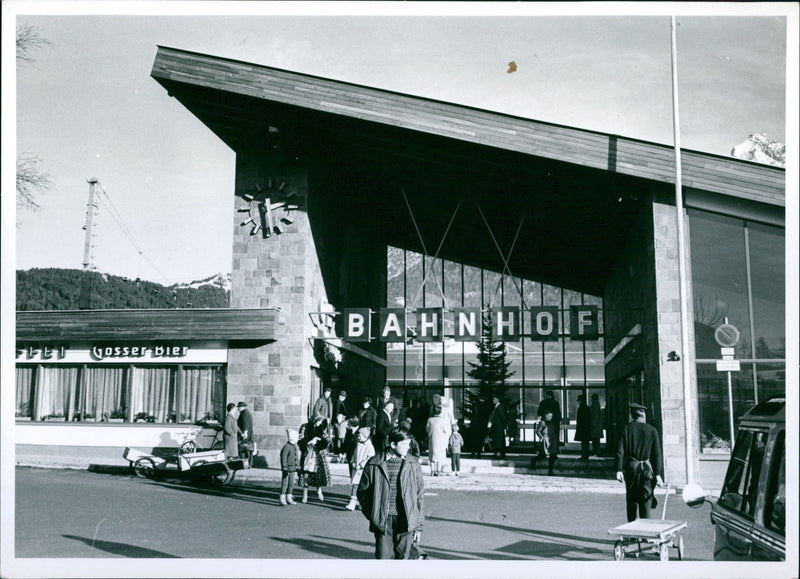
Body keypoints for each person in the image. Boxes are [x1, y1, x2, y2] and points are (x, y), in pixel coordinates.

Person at [357, 427, 425, 559]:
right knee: (384, 560)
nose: (408, 447)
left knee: (404, 561)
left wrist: (418, 526)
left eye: (409, 444)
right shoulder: (374, 463)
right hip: (384, 521)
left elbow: (419, 496)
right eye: (404, 444)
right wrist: (374, 514)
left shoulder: (413, 463)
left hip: (407, 519)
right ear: (393, 444)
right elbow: (363, 493)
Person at [616, 403, 664, 522]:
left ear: (632, 415)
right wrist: (658, 474)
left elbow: (619, 451)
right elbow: (657, 454)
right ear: (643, 416)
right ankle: (646, 533)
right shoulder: (652, 430)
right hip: (646, 471)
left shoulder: (625, 429)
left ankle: (632, 532)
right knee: (646, 501)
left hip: (631, 469)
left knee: (631, 500)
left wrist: (618, 470)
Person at [298, 412, 331, 503]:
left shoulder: (322, 428)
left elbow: (328, 440)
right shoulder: (304, 427)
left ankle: (319, 491)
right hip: (307, 453)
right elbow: (300, 440)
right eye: (319, 420)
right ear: (314, 420)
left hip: (318, 453)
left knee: (318, 474)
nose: (320, 422)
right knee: (306, 474)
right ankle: (305, 495)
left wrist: (320, 442)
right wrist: (309, 442)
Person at [346, 427, 375, 511]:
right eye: (358, 436)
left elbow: (370, 457)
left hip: (363, 470)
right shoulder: (357, 444)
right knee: (355, 485)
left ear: (365, 436)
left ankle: (360, 502)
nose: (358, 437)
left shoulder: (369, 446)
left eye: (360, 436)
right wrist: (353, 462)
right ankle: (352, 502)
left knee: (362, 487)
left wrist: (362, 464)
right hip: (356, 468)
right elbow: (354, 454)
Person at [531, 410, 559, 475]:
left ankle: (550, 471)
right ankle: (533, 460)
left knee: (552, 456)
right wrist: (542, 437)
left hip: (552, 440)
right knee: (543, 455)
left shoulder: (553, 422)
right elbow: (538, 431)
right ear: (546, 416)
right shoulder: (543, 423)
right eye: (549, 416)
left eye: (551, 416)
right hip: (546, 440)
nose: (550, 417)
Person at [426, 404, 451, 476]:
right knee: (439, 456)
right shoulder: (442, 420)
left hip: (432, 438)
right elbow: (445, 430)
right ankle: (438, 470)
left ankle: (432, 471)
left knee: (432, 455)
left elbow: (427, 429)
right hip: (440, 439)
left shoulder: (430, 420)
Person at [279, 428, 299, 506]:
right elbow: (283, 458)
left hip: (292, 468)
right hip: (287, 469)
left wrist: (297, 465)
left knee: (291, 483)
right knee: (284, 483)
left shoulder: (293, 446)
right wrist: (284, 467)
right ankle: (282, 497)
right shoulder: (287, 447)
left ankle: (289, 497)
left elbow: (296, 457)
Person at [575, 395, 591, 460]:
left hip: (582, 428)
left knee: (584, 443)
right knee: (586, 442)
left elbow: (580, 419)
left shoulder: (581, 408)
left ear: (580, 401)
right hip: (586, 428)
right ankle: (585, 455)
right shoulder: (587, 407)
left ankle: (584, 455)